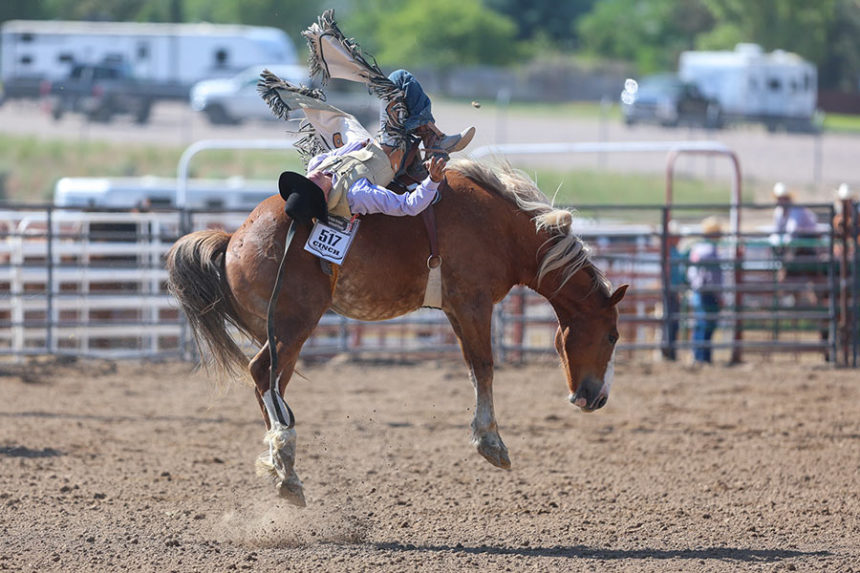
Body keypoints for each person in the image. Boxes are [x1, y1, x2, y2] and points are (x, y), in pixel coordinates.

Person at [282, 140, 448, 220]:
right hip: (392, 156)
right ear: (324, 198)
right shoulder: (357, 194)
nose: (310, 176)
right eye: (311, 185)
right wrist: (432, 181)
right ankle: (436, 139)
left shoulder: (316, 164)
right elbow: (407, 206)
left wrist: (358, 144)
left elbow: (336, 154)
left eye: (304, 180)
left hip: (372, 145)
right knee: (400, 79)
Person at [686, 217, 723, 365]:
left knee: (701, 324)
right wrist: (719, 295)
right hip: (708, 292)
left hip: (698, 290)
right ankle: (703, 357)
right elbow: (713, 277)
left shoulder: (697, 249)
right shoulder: (710, 251)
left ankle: (699, 356)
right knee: (707, 325)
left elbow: (691, 272)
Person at [661, 221, 686, 361]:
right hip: (671, 290)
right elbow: (671, 273)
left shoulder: (673, 251)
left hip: (674, 289)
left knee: (672, 321)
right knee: (670, 320)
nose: (680, 238)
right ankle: (668, 351)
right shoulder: (670, 252)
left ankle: (670, 350)